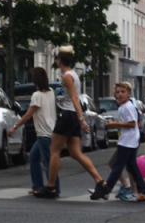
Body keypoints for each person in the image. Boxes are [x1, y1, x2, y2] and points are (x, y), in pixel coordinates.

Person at [37, 46, 106, 199]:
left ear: (59, 60)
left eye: (57, 59)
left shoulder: (68, 77)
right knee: (75, 153)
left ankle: (50, 186)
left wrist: (81, 120)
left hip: (68, 116)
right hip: (72, 115)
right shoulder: (73, 74)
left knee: (54, 151)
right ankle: (100, 182)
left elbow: (75, 98)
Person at [9, 67, 59, 196]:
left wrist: (14, 127)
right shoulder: (51, 92)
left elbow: (27, 115)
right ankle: (37, 186)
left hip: (44, 133)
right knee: (33, 157)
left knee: (48, 162)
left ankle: (52, 188)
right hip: (51, 131)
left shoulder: (37, 95)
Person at [101, 82, 145, 202]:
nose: (120, 94)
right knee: (132, 168)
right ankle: (143, 192)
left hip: (128, 142)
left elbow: (132, 123)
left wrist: (115, 124)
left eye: (123, 92)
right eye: (117, 92)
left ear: (129, 94)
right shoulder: (123, 107)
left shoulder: (128, 106)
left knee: (117, 166)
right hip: (128, 140)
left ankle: (106, 190)